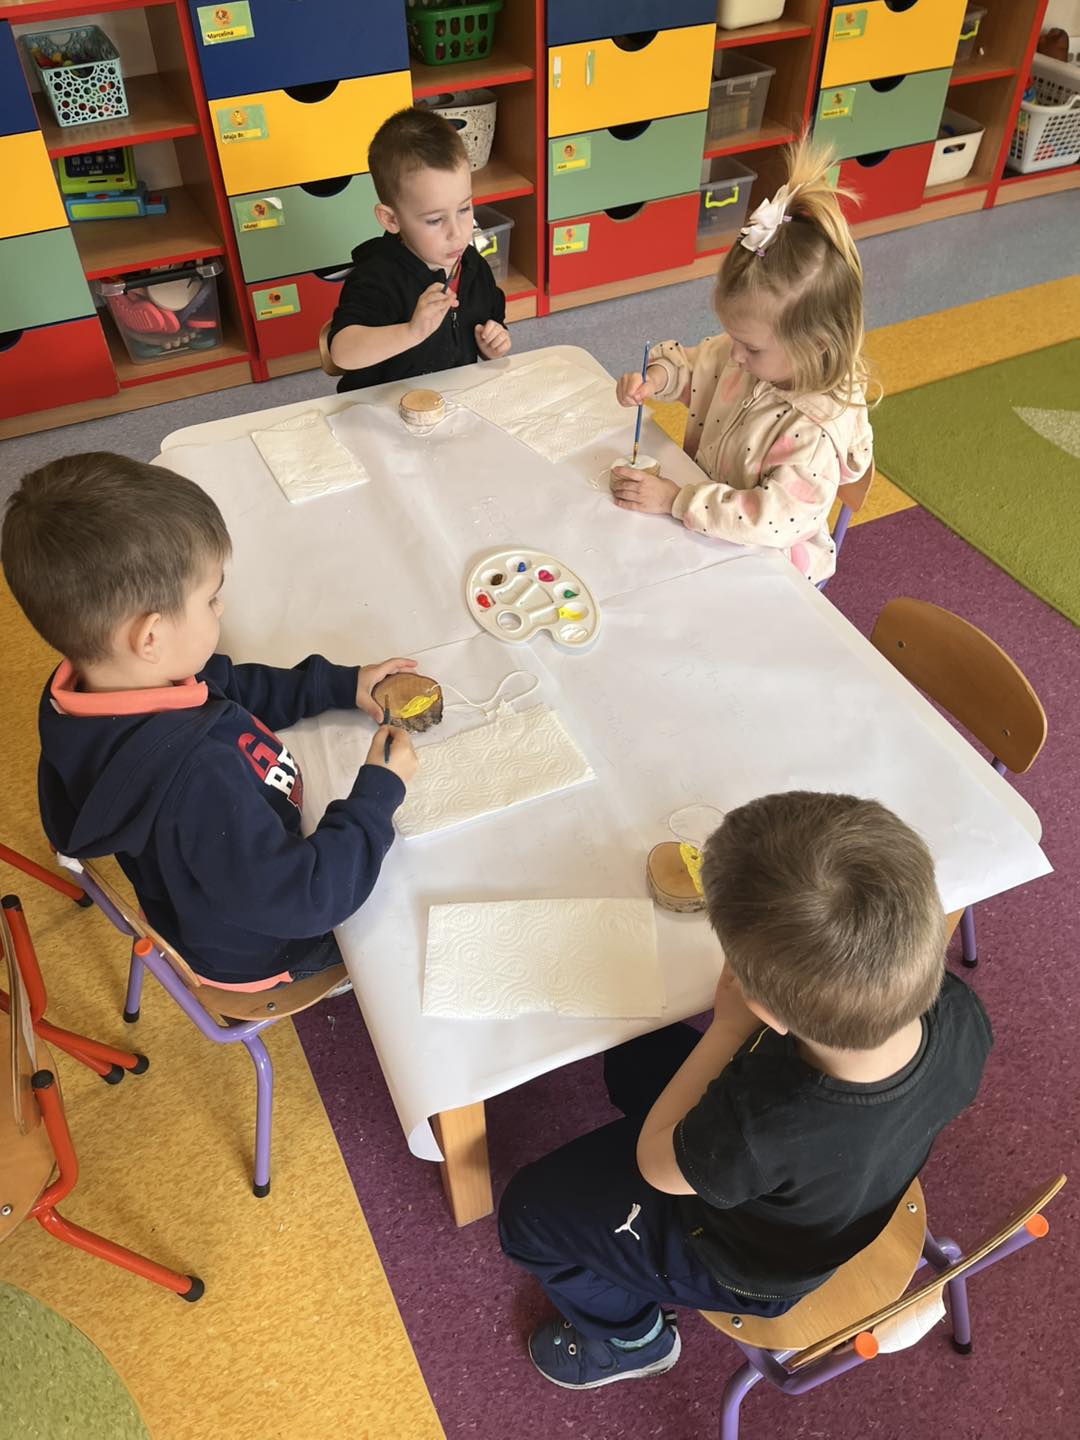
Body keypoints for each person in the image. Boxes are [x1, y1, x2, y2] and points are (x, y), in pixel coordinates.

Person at [499, 791, 992, 1390]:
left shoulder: (761, 1127)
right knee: (636, 1058)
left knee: (526, 1214)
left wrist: (729, 1028)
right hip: (844, 1182)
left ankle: (634, 1340)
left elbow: (656, 1163)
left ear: (768, 1013)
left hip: (742, 1264)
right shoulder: (962, 1015)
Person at [1, 453, 418, 990]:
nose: (221, 609)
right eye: (211, 598)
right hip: (263, 946)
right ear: (151, 638)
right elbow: (307, 897)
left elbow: (229, 688)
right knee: (401, 919)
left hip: (221, 880)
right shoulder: (196, 781)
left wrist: (338, 685)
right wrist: (377, 795)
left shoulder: (100, 683)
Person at [612, 139, 874, 586]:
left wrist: (677, 501)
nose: (734, 354)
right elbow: (693, 365)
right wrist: (657, 378)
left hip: (772, 567)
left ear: (815, 345)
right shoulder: (752, 356)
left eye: (750, 347)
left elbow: (769, 521)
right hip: (704, 524)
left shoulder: (815, 433)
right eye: (733, 336)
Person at [327, 106, 510, 393]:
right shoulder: (377, 275)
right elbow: (342, 352)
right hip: (382, 408)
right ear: (391, 220)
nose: (457, 232)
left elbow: (492, 322)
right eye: (435, 220)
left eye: (464, 209)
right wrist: (412, 331)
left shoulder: (474, 267)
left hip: (450, 403)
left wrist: (492, 345)